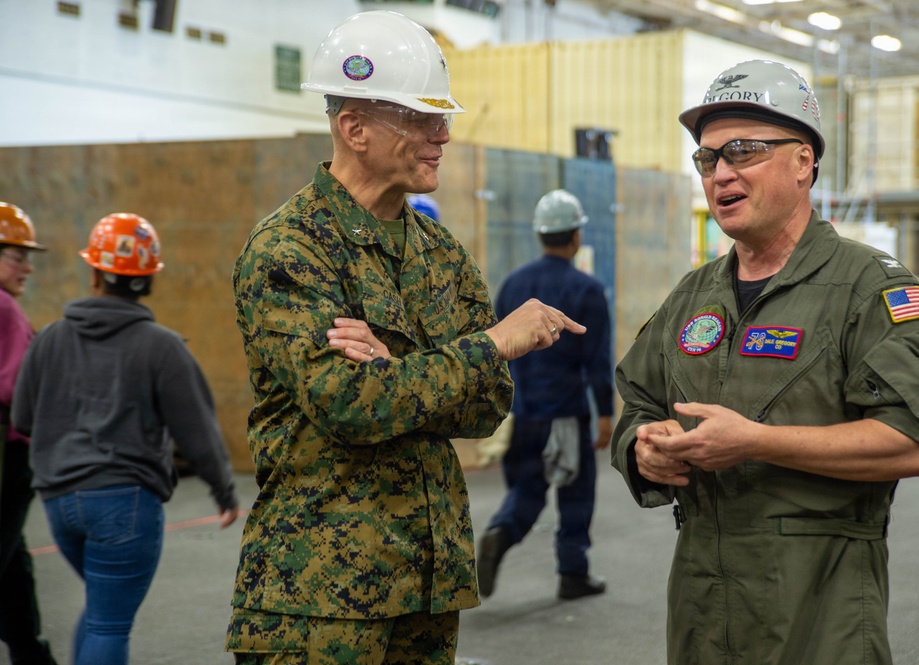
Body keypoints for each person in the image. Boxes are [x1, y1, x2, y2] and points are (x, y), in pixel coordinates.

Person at [225, 10, 584, 665]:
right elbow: (350, 405)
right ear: (353, 128)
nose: (441, 134)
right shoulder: (288, 249)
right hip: (318, 597)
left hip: (426, 577)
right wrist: (487, 345)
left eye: (440, 117)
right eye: (419, 118)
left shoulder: (438, 252)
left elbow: (485, 405)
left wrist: (398, 371)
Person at [610, 59, 919, 665]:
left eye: (743, 151)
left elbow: (918, 443)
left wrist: (756, 443)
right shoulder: (694, 295)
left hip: (819, 616)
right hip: (702, 611)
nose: (721, 172)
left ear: (803, 162)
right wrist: (642, 447)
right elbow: (639, 400)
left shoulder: (868, 289)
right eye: (708, 157)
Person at [11, 212, 239, 665]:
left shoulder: (50, 338)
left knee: (100, 612)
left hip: (59, 503)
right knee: (109, 624)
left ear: (94, 272)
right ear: (149, 278)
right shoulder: (162, 346)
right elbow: (197, 431)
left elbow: (23, 417)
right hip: (124, 506)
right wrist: (224, 490)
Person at [477, 189, 614, 601]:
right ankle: (573, 572)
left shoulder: (514, 285)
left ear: (541, 235)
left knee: (527, 488)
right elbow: (596, 361)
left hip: (521, 413)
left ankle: (500, 531)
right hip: (566, 413)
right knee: (575, 490)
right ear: (575, 237)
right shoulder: (586, 290)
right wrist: (605, 414)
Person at [0, 202, 58, 665]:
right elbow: (21, 390)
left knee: (13, 562)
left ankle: (28, 651)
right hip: (9, 459)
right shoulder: (5, 308)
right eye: (17, 255)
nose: (27, 266)